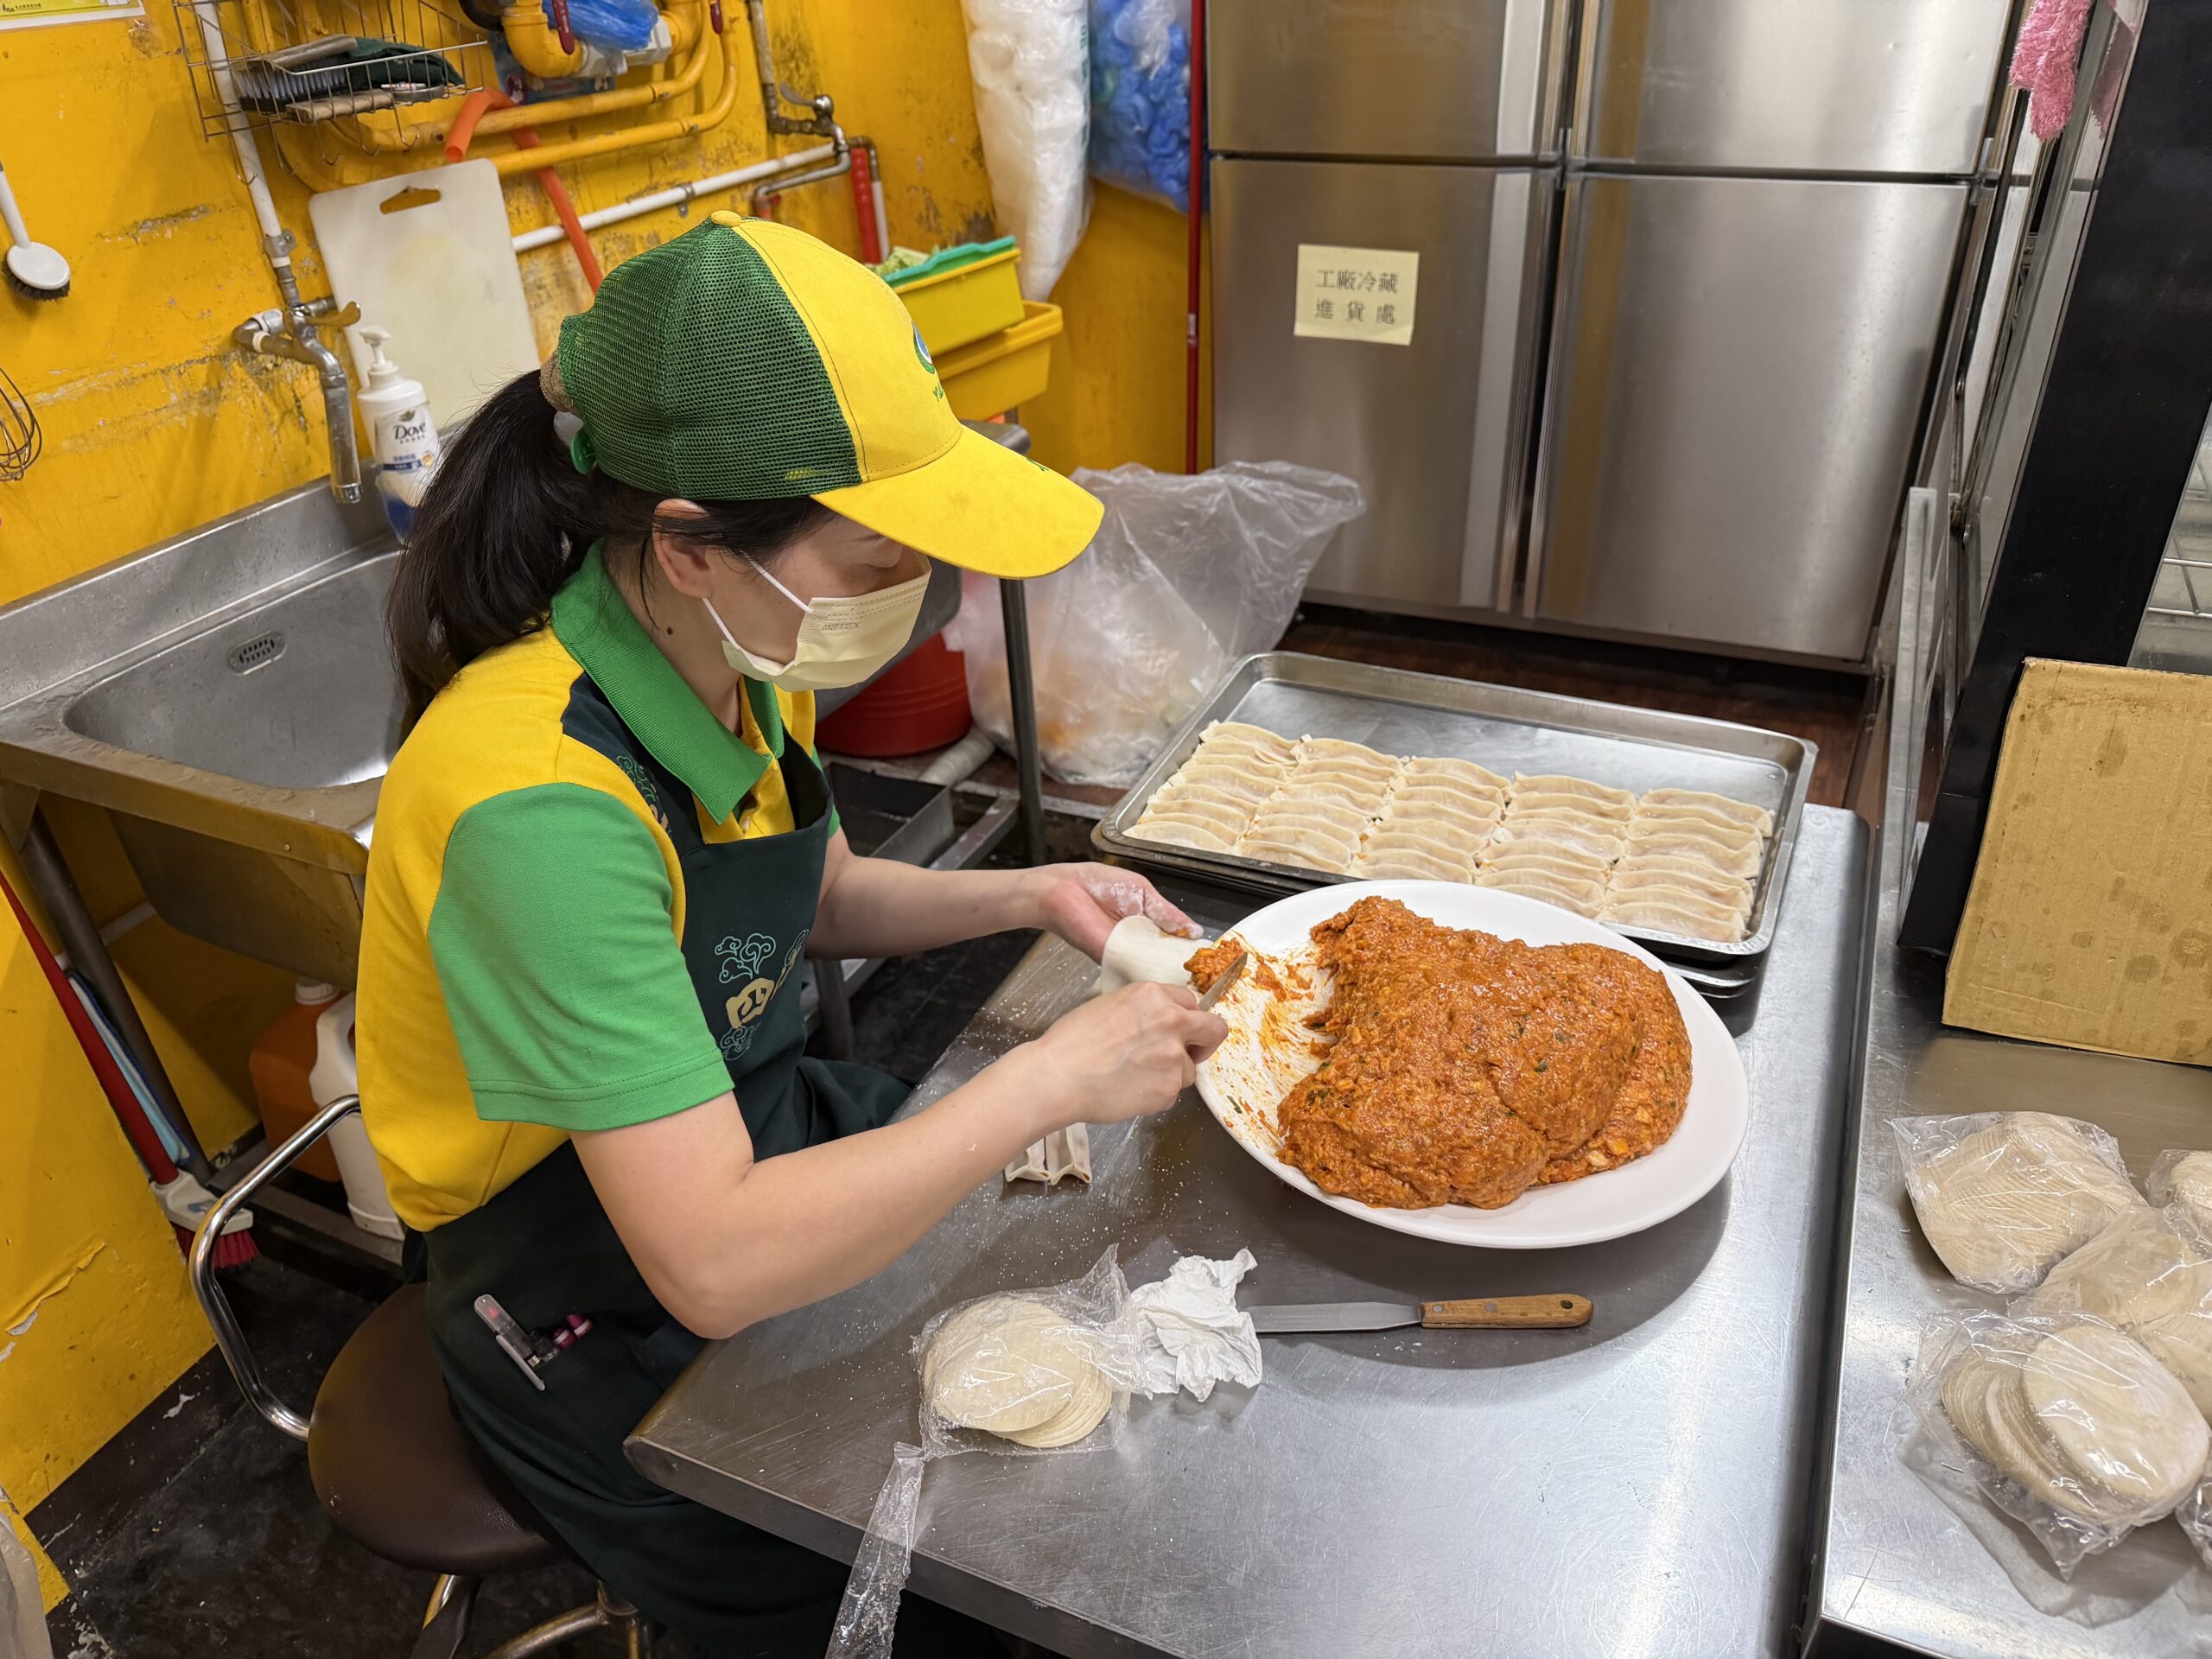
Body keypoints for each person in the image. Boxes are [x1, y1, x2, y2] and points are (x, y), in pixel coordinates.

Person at [354, 213, 1227, 1654]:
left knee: (1056, 1294)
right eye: (880, 559)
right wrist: (1053, 1074)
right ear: (694, 547)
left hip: (747, 1130)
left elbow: (802, 899)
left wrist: (1030, 896)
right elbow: (709, 1259)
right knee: (898, 1581)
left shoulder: (733, 654)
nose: (918, 599)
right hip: (574, 1285)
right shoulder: (537, 806)